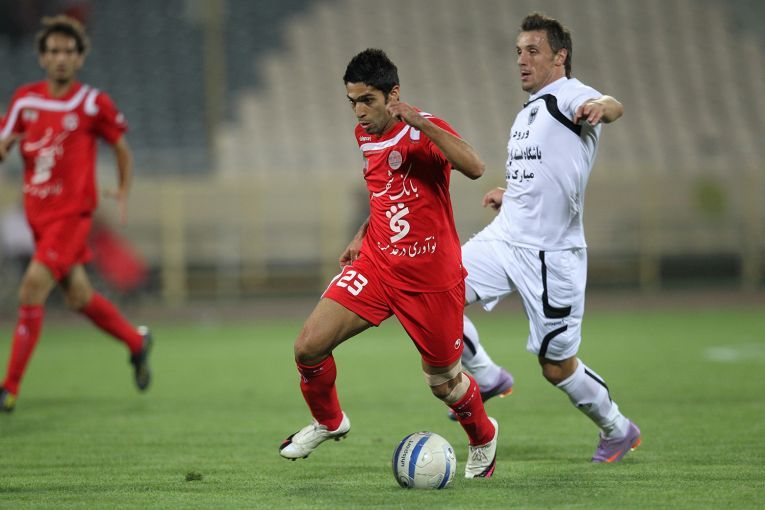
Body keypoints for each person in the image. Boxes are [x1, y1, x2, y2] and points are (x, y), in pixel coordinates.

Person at [279, 48, 499, 478]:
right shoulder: (364, 135)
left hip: (431, 278)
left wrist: (420, 122)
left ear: (393, 94)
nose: (359, 112)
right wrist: (362, 235)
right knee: (308, 346)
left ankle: (483, 436)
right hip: (378, 265)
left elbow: (475, 167)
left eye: (368, 101)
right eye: (353, 102)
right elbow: (386, 193)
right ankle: (329, 421)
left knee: (444, 383)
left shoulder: (424, 130)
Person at [456, 12, 641, 463]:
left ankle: (618, 429)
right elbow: (543, 172)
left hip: (551, 256)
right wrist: (511, 195)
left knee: (555, 366)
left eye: (533, 51)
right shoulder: (530, 110)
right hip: (506, 238)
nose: (522, 59)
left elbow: (613, 105)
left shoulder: (571, 95)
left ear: (560, 57)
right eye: (518, 51)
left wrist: (602, 108)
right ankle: (486, 376)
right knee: (431, 292)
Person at [0, 15, 152, 413]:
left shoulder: (91, 103)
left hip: (72, 217)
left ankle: (8, 388)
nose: (61, 58)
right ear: (42, 57)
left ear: (80, 57)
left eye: (69, 51)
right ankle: (136, 342)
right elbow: (4, 140)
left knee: (32, 286)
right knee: (79, 296)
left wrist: (122, 187)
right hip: (38, 217)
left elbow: (120, 147)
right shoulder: (25, 100)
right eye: (53, 51)